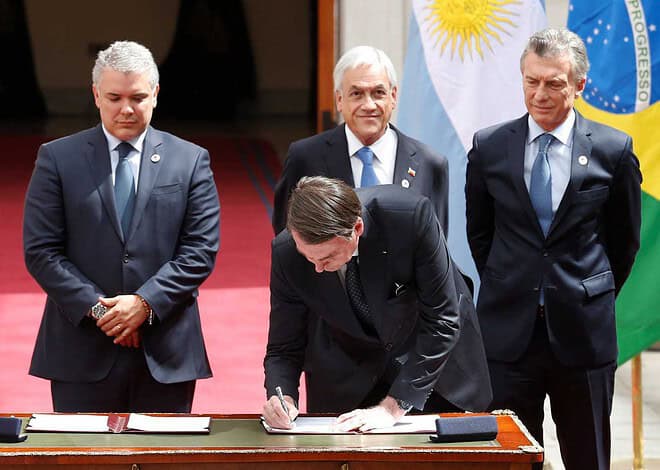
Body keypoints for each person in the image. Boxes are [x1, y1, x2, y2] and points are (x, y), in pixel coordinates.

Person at [466, 28, 641, 469]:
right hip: (508, 334)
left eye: (553, 83)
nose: (540, 94)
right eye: (532, 81)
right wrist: (514, 282)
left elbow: (624, 241)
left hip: (583, 335)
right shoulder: (489, 147)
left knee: (588, 457)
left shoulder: (613, 150)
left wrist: (587, 291)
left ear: (579, 85)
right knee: (509, 460)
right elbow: (480, 234)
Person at [23, 41, 220, 412]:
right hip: (80, 348)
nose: (126, 109)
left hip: (165, 350)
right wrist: (104, 312)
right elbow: (41, 251)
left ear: (156, 94)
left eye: (138, 97)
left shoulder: (191, 160)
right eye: (114, 97)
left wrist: (145, 304)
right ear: (96, 95)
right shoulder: (57, 158)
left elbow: (200, 250)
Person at [262, 176, 490, 431]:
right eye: (309, 258)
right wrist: (282, 397)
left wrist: (392, 408)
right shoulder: (286, 252)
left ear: (357, 228)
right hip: (349, 368)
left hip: (432, 364)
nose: (317, 268)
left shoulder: (409, 216)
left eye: (327, 258)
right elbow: (284, 345)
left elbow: (442, 320)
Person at [272, 45, 448, 237]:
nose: (369, 105)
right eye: (357, 94)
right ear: (339, 100)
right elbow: (287, 236)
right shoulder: (305, 157)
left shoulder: (429, 163)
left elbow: (436, 242)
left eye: (378, 93)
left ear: (393, 96)